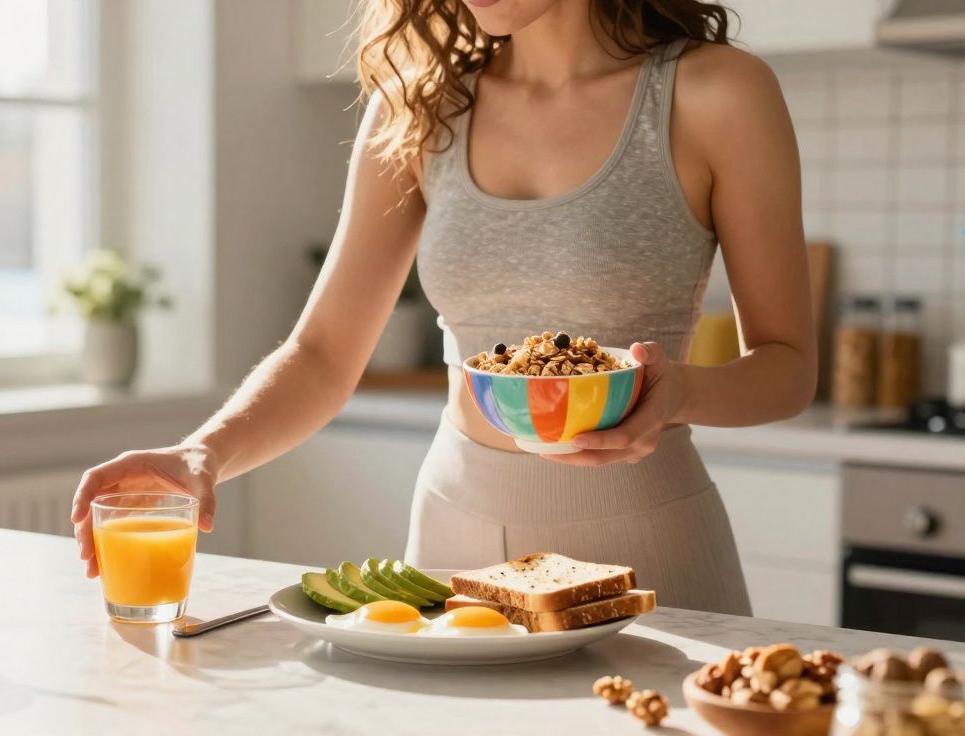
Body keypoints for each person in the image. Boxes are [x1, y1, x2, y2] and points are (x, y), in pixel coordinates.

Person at [71, 0, 816, 614]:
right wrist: (203, 453)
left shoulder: (717, 93)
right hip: (452, 537)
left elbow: (787, 368)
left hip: (648, 545)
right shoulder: (422, 107)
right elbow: (325, 353)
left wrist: (677, 391)